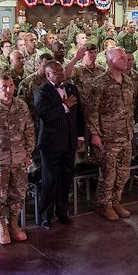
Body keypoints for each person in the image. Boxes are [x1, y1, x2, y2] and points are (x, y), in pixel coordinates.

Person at [0, 75, 35, 245]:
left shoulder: (21, 106)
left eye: (11, 85)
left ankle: (14, 224)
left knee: (18, 194)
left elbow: (29, 131)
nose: (8, 89)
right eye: (4, 86)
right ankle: (2, 226)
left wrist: (28, 154)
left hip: (19, 158)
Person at [87, 47, 136, 221]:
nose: (125, 60)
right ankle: (104, 204)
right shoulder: (99, 83)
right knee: (108, 174)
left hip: (126, 134)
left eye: (125, 57)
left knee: (123, 173)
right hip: (108, 136)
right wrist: (95, 134)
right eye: (121, 58)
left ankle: (116, 201)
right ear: (110, 62)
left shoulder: (129, 81)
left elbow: (130, 109)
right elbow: (92, 112)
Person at [34, 60, 83, 228]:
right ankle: (46, 215)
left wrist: (80, 137)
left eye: (62, 70)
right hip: (51, 143)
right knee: (49, 180)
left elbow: (79, 114)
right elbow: (45, 115)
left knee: (65, 179)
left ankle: (62, 212)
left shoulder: (71, 88)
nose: (61, 73)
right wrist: (64, 106)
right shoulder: (41, 91)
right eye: (57, 71)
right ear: (48, 75)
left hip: (69, 141)